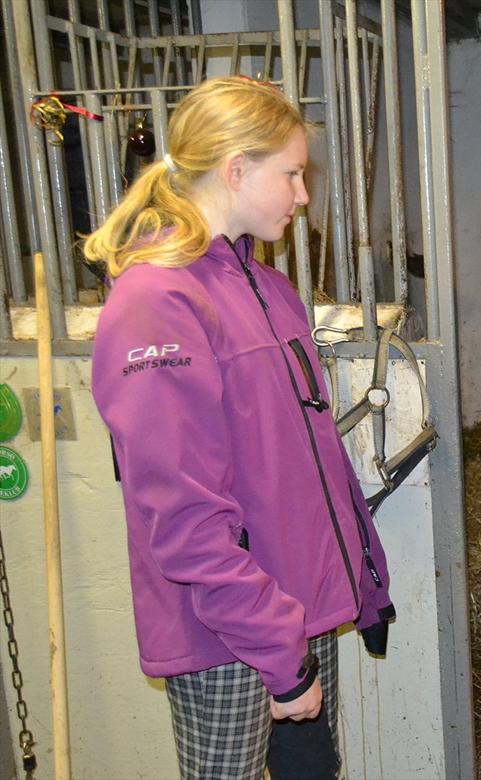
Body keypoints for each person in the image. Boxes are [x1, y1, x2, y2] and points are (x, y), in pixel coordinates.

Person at [86, 76, 395, 779]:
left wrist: (359, 586)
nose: (303, 194)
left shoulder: (270, 288)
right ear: (235, 170)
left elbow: (312, 461)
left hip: (301, 612)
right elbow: (184, 516)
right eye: (291, 174)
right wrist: (281, 661)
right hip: (228, 634)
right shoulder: (157, 303)